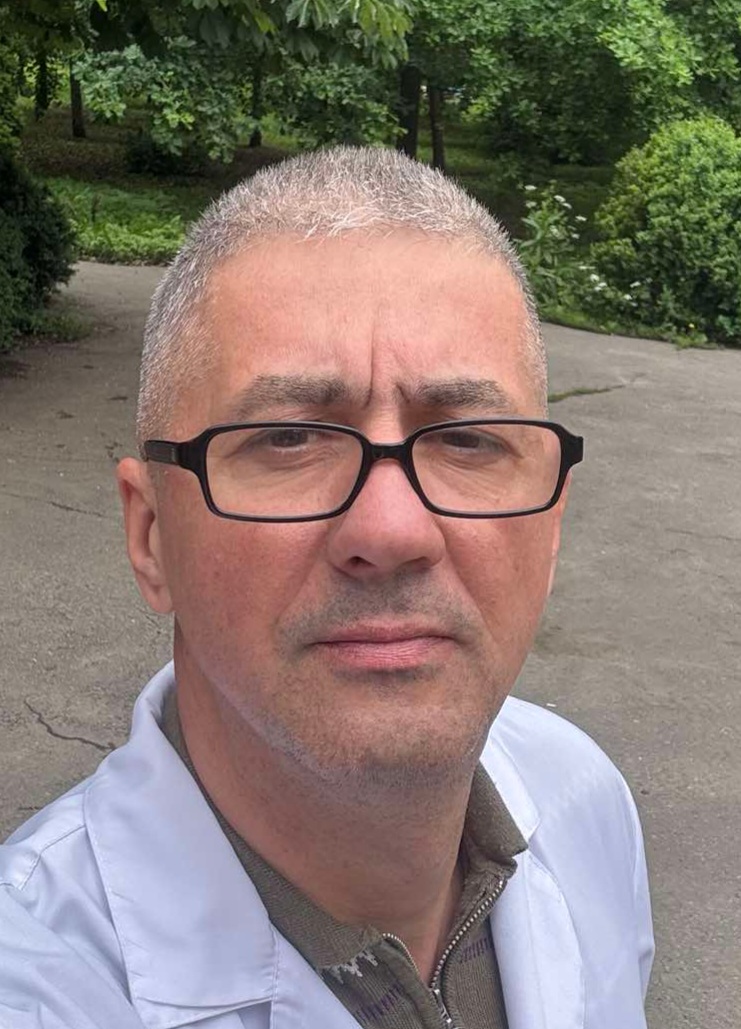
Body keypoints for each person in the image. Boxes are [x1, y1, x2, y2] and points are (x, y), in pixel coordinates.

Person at [0, 146, 653, 1029]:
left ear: (551, 521)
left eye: (467, 439)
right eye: (288, 439)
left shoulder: (583, 799)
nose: (390, 530)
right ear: (150, 535)